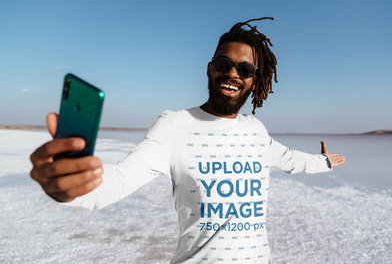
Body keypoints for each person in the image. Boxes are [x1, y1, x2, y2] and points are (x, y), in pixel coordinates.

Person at [30, 17, 345, 263]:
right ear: (210, 69)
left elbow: (291, 160)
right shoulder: (174, 126)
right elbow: (116, 182)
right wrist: (70, 186)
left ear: (253, 80)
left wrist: (326, 162)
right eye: (224, 64)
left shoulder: (255, 131)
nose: (232, 73)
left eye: (244, 68)